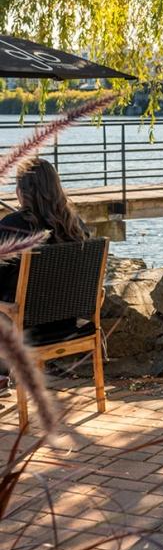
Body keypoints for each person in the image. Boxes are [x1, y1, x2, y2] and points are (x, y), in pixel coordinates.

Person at [0, 158, 89, 397]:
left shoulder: (11, 226)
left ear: (21, 191)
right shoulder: (75, 226)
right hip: (65, 324)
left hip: (24, 325)